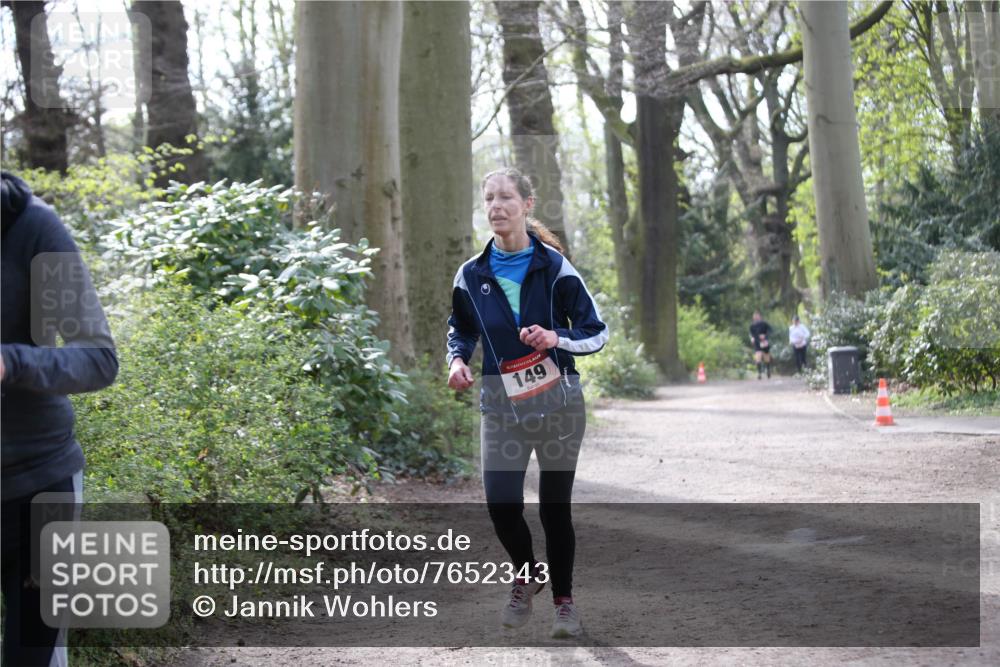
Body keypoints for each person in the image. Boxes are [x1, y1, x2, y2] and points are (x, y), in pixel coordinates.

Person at [446, 167, 608, 639]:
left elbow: (596, 332)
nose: (496, 207)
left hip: (559, 405)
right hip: (500, 405)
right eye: (490, 199)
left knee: (555, 511)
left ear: (527, 205)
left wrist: (556, 336)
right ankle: (527, 573)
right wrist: (456, 360)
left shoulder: (554, 267)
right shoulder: (471, 273)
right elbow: (461, 327)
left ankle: (564, 603)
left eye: (506, 198)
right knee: (501, 505)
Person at [2, 171, 118, 666]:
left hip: (39, 483)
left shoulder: (33, 227)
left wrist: (12, 362)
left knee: (35, 657)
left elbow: (97, 357)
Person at [749, 310, 773, 379]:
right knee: (758, 357)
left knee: (766, 358)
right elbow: (750, 334)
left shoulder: (764, 323)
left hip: (765, 342)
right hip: (757, 343)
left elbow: (770, 330)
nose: (756, 317)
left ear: (760, 316)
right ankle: (759, 373)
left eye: (757, 316)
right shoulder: (752, 325)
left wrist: (765, 336)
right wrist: (752, 338)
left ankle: (768, 371)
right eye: (754, 316)